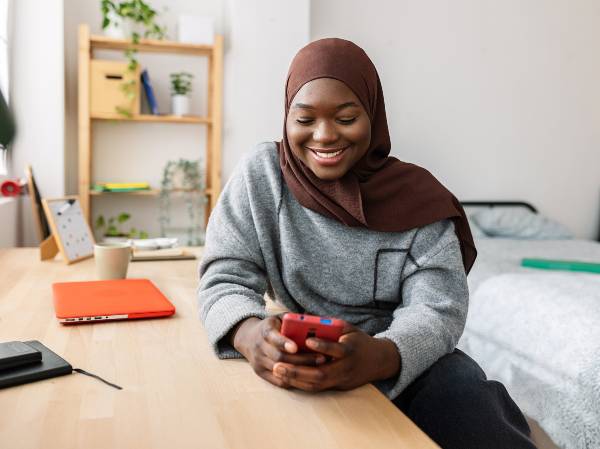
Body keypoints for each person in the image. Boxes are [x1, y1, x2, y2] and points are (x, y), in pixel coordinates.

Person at [198, 38, 536, 449]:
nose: (323, 136)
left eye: (345, 117)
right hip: (294, 352)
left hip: (400, 354)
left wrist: (379, 355)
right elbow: (224, 276)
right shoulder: (262, 176)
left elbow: (438, 309)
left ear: (372, 115)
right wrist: (250, 336)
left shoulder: (419, 199)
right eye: (304, 119)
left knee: (472, 407)